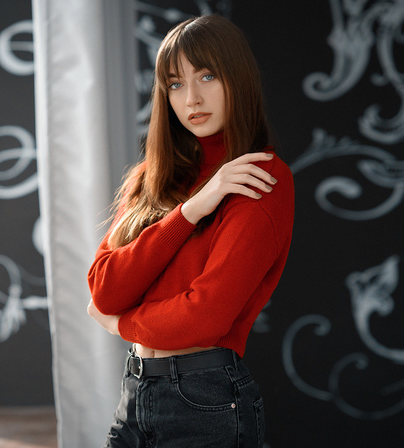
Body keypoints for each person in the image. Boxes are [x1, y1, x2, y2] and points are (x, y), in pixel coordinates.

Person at [87, 14, 294, 448]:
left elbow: (205, 316)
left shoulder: (259, 177)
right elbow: (104, 289)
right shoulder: (151, 177)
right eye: (176, 83)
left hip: (206, 401)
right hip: (134, 392)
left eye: (207, 75)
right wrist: (191, 210)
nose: (192, 98)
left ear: (237, 79)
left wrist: (122, 323)